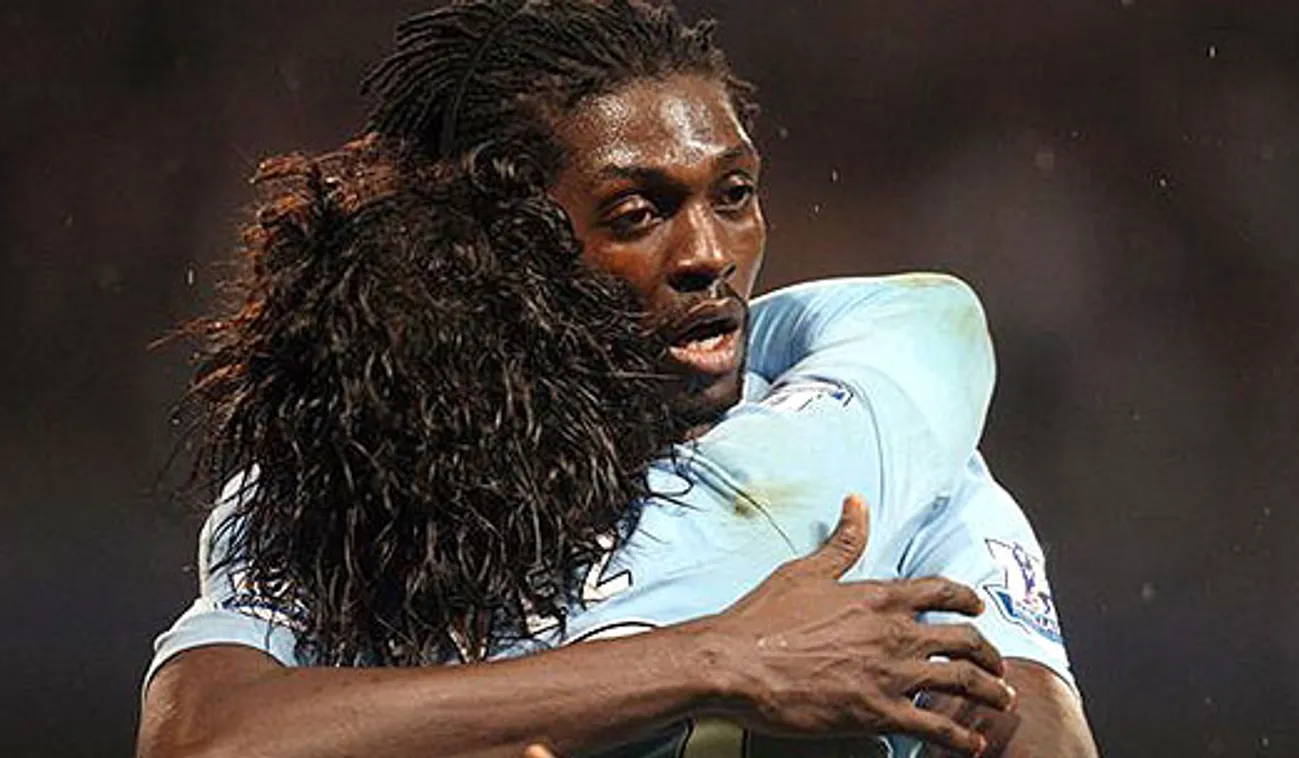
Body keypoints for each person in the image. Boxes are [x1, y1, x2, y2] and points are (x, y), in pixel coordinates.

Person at [137, 2, 1097, 757]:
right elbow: (204, 741)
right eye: (637, 212)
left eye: (733, 195)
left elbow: (1032, 728)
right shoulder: (347, 489)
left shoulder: (887, 460)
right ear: (501, 241)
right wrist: (712, 659)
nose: (708, 254)